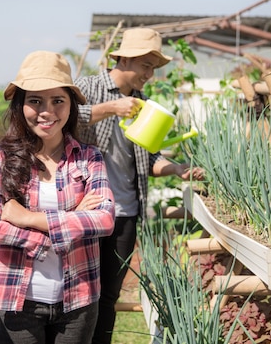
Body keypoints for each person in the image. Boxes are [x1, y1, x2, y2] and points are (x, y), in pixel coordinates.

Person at [74, 27, 204, 344]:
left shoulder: (144, 103)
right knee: (80, 294)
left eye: (153, 68)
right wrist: (110, 108)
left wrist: (176, 169)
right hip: (86, 210)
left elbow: (149, 159)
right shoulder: (88, 87)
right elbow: (63, 118)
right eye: (146, 65)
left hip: (126, 215)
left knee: (108, 296)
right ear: (126, 58)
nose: (150, 74)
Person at [0, 50, 115, 344]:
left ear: (71, 106)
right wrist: (70, 220)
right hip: (17, 300)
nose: (47, 111)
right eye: (35, 100)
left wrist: (27, 218)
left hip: (78, 298)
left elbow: (104, 220)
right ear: (20, 105)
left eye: (58, 100)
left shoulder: (89, 158)